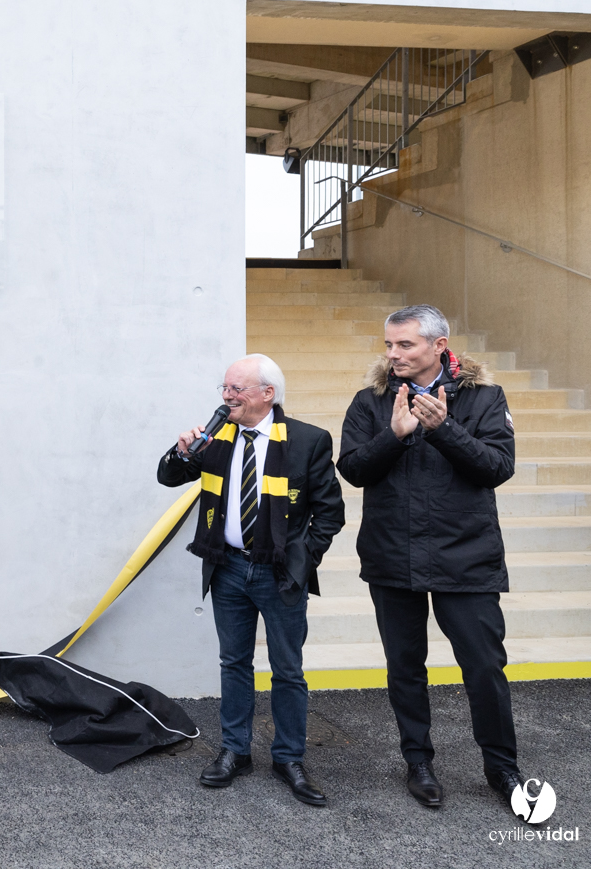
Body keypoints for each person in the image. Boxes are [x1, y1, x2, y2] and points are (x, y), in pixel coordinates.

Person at [337, 304, 522, 809]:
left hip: (466, 556)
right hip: (393, 555)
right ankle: (418, 761)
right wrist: (393, 437)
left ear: (439, 346)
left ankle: (502, 768)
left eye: (405, 345)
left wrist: (444, 429)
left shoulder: (484, 397)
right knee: (405, 666)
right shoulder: (370, 401)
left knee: (484, 666)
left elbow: (497, 468)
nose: (392, 354)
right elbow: (352, 469)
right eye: (389, 345)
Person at [158, 353, 344, 806]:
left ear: (268, 394)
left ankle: (288, 758)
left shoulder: (307, 440)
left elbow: (330, 513)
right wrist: (182, 452)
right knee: (234, 663)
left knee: (287, 669)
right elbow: (168, 477)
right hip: (228, 568)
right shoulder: (215, 438)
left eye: (236, 389)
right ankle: (235, 751)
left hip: (280, 574)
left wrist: (302, 558)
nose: (227, 397)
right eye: (224, 388)